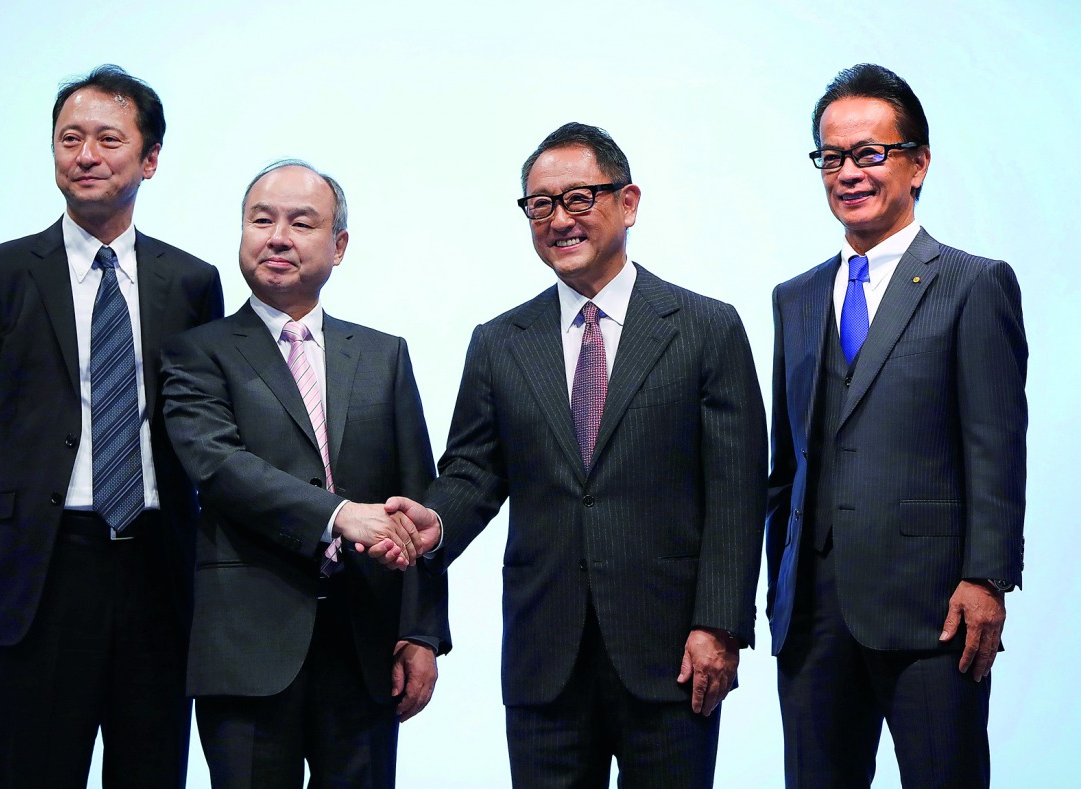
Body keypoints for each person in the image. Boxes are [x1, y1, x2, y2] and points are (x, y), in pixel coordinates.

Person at [387, 122, 767, 787]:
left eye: (578, 198)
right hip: (545, 659)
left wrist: (719, 624)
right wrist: (436, 522)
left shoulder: (707, 328)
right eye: (540, 204)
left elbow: (737, 492)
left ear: (628, 202)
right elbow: (474, 471)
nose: (559, 218)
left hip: (672, 652)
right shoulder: (500, 341)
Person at [0, 64, 224, 787]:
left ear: (149, 159)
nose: (85, 154)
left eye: (106, 139)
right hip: (46, 568)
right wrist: (11, 537)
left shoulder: (191, 282)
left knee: (152, 770)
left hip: (159, 568)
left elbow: (207, 433)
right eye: (70, 138)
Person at [766, 63, 1027, 787]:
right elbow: (785, 464)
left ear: (918, 164)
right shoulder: (796, 297)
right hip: (813, 620)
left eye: (870, 153)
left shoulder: (973, 283)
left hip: (934, 612)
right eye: (833, 156)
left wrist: (987, 576)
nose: (849, 171)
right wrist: (775, 589)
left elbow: (996, 444)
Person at [159, 159, 449, 788]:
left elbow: (418, 499)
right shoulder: (196, 352)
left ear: (338, 245)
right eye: (261, 220)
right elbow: (218, 466)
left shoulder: (383, 355)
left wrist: (422, 632)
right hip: (246, 647)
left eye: (301, 222)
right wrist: (341, 515)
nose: (278, 236)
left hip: (365, 649)